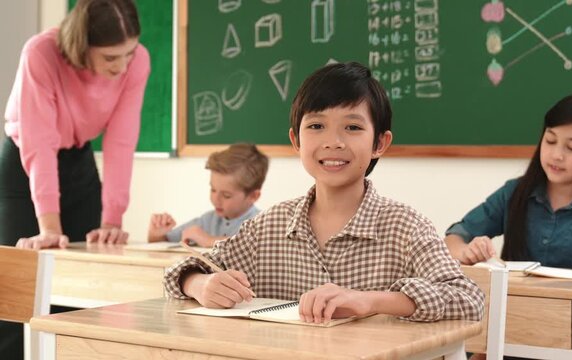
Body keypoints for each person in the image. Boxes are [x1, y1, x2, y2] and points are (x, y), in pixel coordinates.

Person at [164, 62, 484, 324]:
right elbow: (178, 274)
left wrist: (370, 301)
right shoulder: (269, 227)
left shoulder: (406, 227)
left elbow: (468, 299)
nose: (333, 141)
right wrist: (201, 285)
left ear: (380, 144)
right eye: (317, 126)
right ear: (296, 140)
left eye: (353, 127)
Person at [0, 0, 149, 357]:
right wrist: (49, 227)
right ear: (82, 47)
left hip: (78, 157)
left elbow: (121, 141)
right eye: (111, 58)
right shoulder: (41, 53)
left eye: (128, 53)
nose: (123, 65)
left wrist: (112, 219)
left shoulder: (137, 61)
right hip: (24, 163)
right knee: (18, 289)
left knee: (78, 286)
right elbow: (38, 143)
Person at [444, 94, 572, 360]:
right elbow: (454, 237)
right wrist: (466, 252)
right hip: (515, 336)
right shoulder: (514, 193)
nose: (556, 154)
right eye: (550, 140)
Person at [148, 143, 268, 248]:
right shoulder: (207, 220)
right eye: (213, 190)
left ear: (253, 196)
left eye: (226, 195)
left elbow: (253, 246)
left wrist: (209, 240)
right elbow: (163, 243)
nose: (216, 199)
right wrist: (156, 234)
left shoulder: (262, 224)